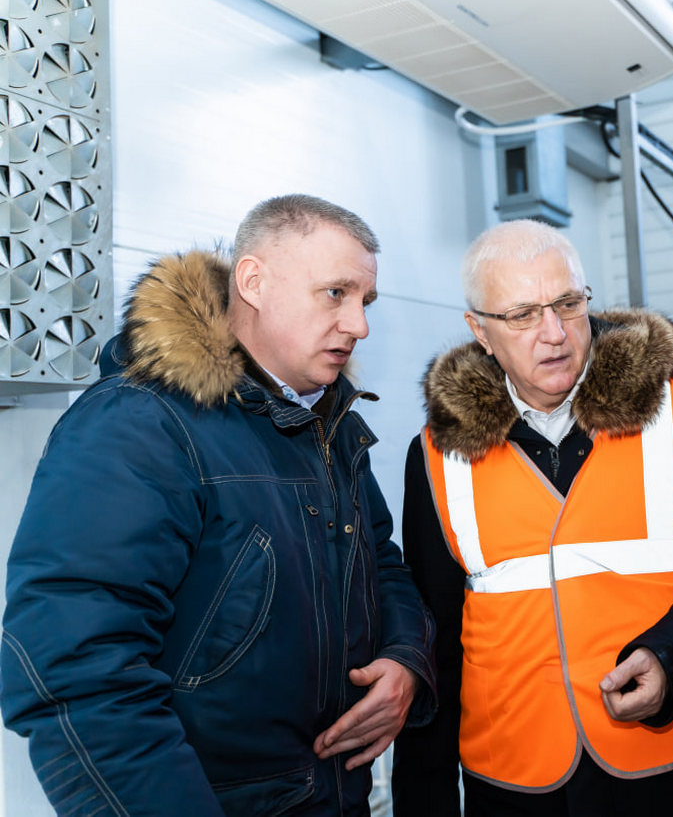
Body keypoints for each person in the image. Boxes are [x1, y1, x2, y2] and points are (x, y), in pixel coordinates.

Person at [1, 194, 436, 816]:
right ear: (253, 282)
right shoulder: (139, 424)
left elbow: (380, 562)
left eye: (365, 301)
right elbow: (76, 674)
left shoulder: (326, 422)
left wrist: (404, 658)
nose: (359, 325)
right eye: (336, 294)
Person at [390, 219, 673, 816]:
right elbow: (433, 639)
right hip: (516, 789)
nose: (554, 333)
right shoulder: (437, 456)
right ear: (480, 331)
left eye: (568, 303)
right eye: (522, 315)